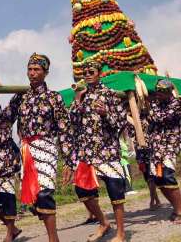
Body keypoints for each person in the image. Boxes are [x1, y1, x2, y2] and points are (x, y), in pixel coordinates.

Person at [0, 53, 72, 242]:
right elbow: (2, 121)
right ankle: (39, 215)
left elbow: (64, 130)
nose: (32, 73)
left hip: (47, 146)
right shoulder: (21, 96)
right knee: (35, 197)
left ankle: (54, 239)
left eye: (37, 69)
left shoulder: (54, 98)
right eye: (30, 69)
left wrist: (69, 160)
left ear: (46, 72)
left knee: (45, 192)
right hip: (26, 149)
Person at [65, 61, 128, 242]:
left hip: (107, 151)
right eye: (84, 72)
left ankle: (121, 234)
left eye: (91, 71)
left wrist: (105, 113)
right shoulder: (82, 96)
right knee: (82, 192)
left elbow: (120, 123)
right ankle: (103, 223)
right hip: (87, 153)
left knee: (115, 193)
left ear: (99, 73)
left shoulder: (109, 95)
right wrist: (77, 99)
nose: (87, 74)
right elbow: (73, 122)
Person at [145, 80, 181, 223]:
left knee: (168, 176)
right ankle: (175, 208)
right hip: (156, 147)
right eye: (157, 91)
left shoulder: (176, 104)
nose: (158, 94)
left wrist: (149, 106)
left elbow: (159, 118)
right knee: (158, 179)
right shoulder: (156, 103)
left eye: (162, 92)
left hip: (169, 145)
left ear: (169, 92)